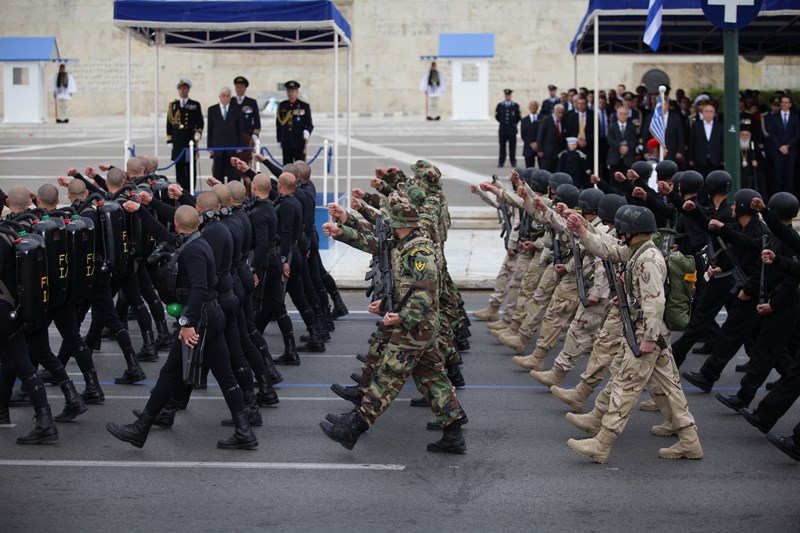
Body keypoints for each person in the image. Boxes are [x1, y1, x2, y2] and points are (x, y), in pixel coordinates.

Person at [319, 197, 467, 454]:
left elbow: (425, 291)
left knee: (388, 375)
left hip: (415, 327)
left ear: (399, 223)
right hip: (419, 325)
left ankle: (354, 427)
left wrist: (402, 317)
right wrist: (343, 231)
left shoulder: (419, 252)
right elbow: (375, 245)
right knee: (432, 377)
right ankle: (453, 431)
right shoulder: (404, 243)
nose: (385, 220)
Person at [106, 205, 258, 450]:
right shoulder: (197, 240)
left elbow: (199, 289)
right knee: (221, 374)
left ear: (177, 224)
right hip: (210, 316)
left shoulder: (194, 251)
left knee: (170, 373)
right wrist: (143, 210)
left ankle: (141, 427)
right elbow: (164, 236)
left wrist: (187, 323)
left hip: (200, 321)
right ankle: (244, 430)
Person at [565, 205, 703, 463]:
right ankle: (689, 441)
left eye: (622, 230)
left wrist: (648, 339)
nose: (619, 234)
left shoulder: (648, 259)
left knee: (624, 385)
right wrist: (583, 231)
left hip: (646, 334)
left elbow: (655, 301)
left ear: (630, 232)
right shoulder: (637, 250)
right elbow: (609, 250)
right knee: (669, 387)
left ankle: (602, 442)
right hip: (647, 332)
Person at [166, 78, 204, 191]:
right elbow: (169, 123)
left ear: (188, 90)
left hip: (190, 140)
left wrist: (198, 133)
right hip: (177, 140)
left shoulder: (195, 105)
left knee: (190, 167)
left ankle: (190, 189)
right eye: (180, 89)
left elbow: (200, 122)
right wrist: (169, 140)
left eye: (184, 88)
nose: (182, 91)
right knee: (179, 168)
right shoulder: (173, 105)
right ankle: (181, 190)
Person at [207, 87, 242, 183]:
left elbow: (240, 129)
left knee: (233, 174)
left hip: (232, 147)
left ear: (230, 97)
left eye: (228, 96)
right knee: (218, 174)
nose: (225, 98)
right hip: (218, 148)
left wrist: (240, 145)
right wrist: (209, 146)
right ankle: (219, 195)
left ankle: (234, 195)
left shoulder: (237, 109)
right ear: (220, 97)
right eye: (223, 96)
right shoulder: (212, 110)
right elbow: (210, 130)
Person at [765, 95, 799, 195]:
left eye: (786, 102)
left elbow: (797, 135)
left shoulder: (795, 117)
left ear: (790, 104)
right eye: (782, 102)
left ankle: (789, 201)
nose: (783, 104)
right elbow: (772, 134)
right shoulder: (773, 117)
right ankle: (778, 200)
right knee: (778, 176)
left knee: (790, 177)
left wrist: (788, 146)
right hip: (777, 152)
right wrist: (780, 147)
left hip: (791, 151)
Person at [231, 76, 261, 182]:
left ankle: (247, 191)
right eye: (237, 86)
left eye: (241, 87)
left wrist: (255, 135)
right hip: (233, 140)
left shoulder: (251, 102)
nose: (239, 89)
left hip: (246, 139)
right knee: (234, 166)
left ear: (245, 88)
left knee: (246, 165)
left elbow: (257, 122)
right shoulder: (231, 101)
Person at [276, 80, 313, 164]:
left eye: (293, 91)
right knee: (287, 167)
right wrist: (279, 139)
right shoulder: (282, 105)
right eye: (289, 91)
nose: (290, 93)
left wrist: (307, 132)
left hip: (299, 141)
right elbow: (278, 124)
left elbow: (309, 124)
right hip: (286, 141)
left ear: (297, 92)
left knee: (300, 167)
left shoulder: (304, 106)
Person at [688, 103, 724, 178]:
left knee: (713, 180)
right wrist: (690, 158)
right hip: (699, 159)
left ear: (714, 114)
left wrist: (722, 158)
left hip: (715, 159)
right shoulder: (696, 125)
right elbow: (691, 142)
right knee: (700, 180)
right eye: (706, 111)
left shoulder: (720, 126)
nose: (708, 113)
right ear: (702, 113)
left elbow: (722, 143)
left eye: (711, 111)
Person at [606, 106, 638, 177]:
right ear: (617, 115)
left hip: (628, 158)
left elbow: (634, 140)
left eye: (625, 114)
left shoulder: (632, 127)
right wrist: (620, 147)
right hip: (614, 158)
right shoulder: (612, 127)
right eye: (621, 113)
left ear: (628, 115)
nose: (623, 115)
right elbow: (610, 140)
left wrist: (627, 148)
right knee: (614, 181)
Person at [495, 89, 521, 168]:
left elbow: (518, 117)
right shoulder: (500, 105)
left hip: (512, 130)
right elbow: (497, 116)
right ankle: (501, 161)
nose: (507, 96)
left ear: (511, 96)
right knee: (502, 147)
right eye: (506, 95)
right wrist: (503, 123)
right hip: (503, 130)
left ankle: (513, 161)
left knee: (512, 146)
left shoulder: (515, 105)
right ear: (505, 96)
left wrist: (512, 124)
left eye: (509, 95)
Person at [537, 103, 566, 172]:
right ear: (554, 111)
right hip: (547, 152)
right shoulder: (546, 120)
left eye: (562, 113)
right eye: (559, 112)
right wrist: (540, 150)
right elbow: (540, 135)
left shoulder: (563, 121)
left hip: (558, 152)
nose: (560, 115)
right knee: (546, 171)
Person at [520, 101, 541, 168]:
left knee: (543, 169)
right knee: (529, 170)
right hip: (528, 148)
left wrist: (537, 143)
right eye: (531, 105)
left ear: (537, 107)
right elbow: (523, 135)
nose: (533, 107)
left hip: (540, 147)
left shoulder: (543, 119)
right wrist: (531, 143)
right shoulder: (524, 120)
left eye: (535, 105)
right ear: (529, 107)